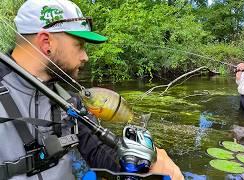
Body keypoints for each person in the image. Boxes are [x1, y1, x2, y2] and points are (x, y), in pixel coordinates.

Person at [0, 0, 184, 179]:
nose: (85, 56)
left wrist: (143, 165)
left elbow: (99, 152)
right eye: (79, 45)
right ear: (46, 42)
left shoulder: (70, 102)